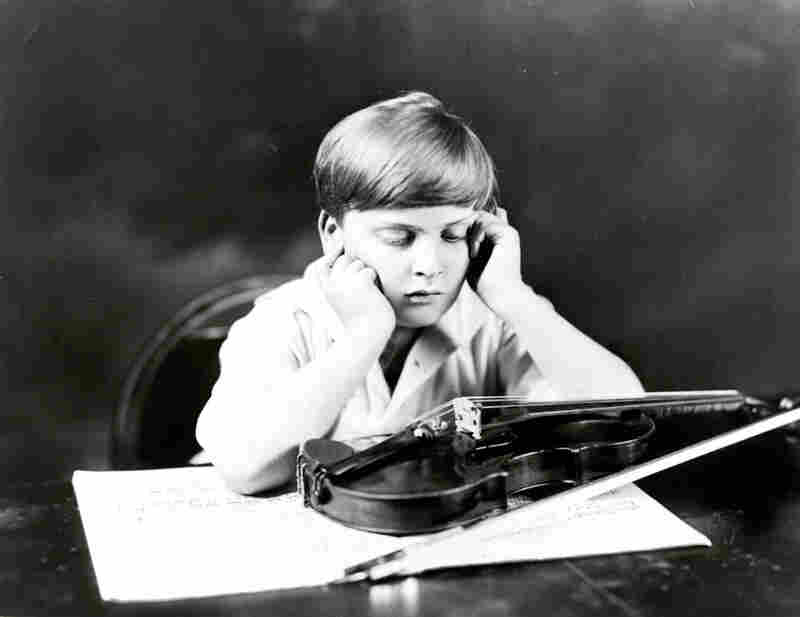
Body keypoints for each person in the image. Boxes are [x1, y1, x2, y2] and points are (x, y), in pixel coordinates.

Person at [196, 91, 644, 494]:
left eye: (453, 235)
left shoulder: (499, 315)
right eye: (399, 238)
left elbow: (619, 415)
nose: (430, 266)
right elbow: (244, 468)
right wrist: (362, 338)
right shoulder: (280, 320)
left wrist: (515, 298)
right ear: (333, 233)